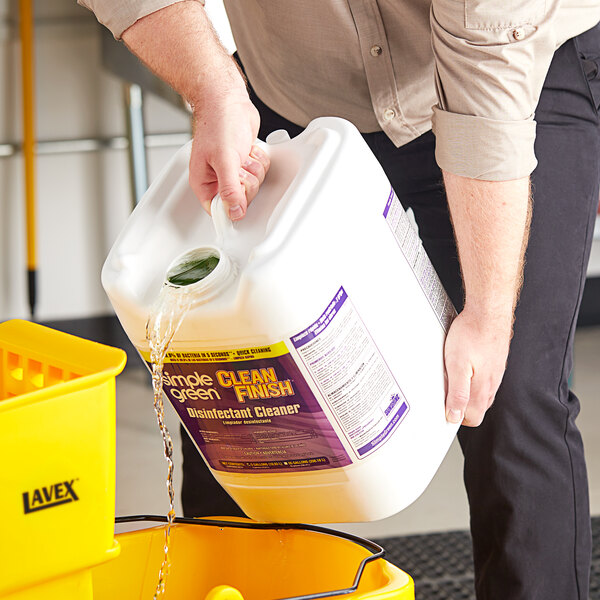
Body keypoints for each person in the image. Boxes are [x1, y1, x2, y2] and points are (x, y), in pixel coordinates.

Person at [81, 1, 600, 598]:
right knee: (246, 400)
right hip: (303, 93)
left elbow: (487, 82)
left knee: (509, 396)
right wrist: (214, 85)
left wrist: (487, 314)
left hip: (511, 77)